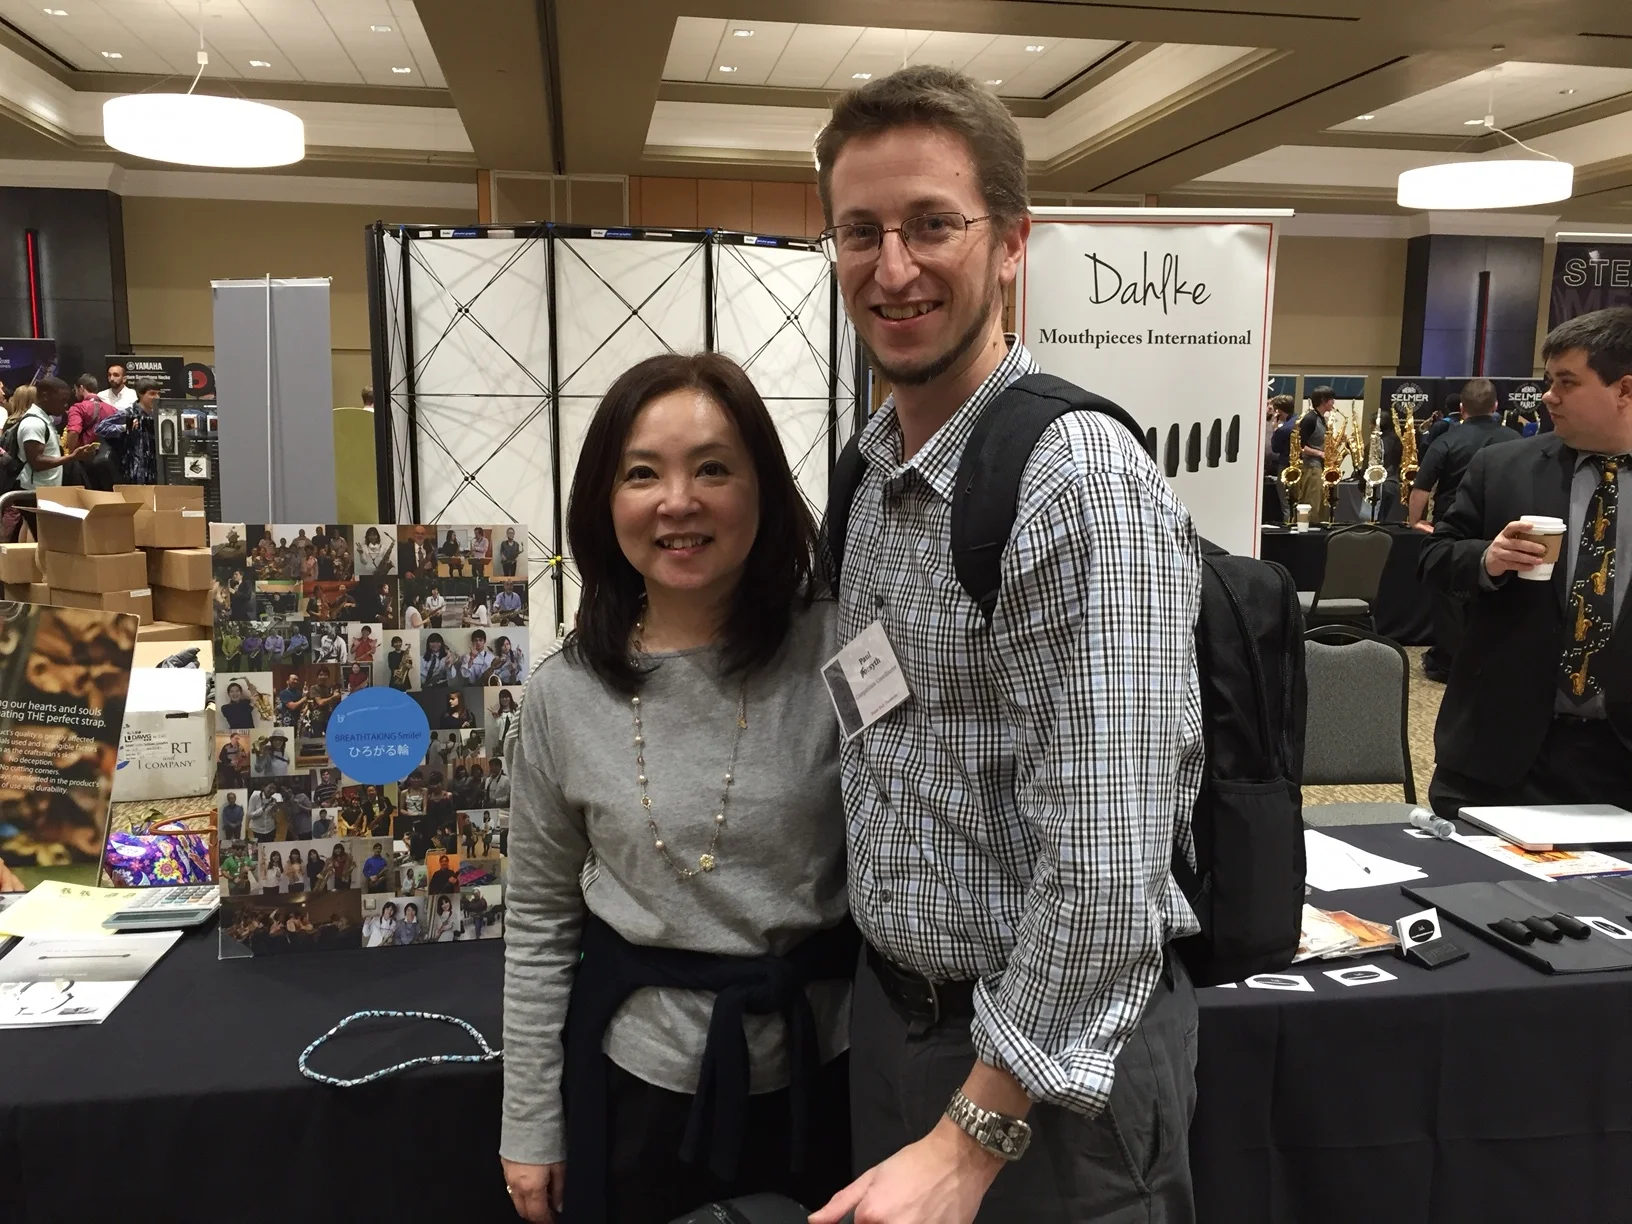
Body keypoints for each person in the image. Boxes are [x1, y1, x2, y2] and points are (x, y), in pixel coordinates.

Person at [809, 68, 1203, 1224]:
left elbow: (1109, 869)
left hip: (1049, 1083)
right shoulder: (873, 472)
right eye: (860, 231)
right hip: (899, 1030)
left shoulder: (1074, 481)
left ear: (1013, 242)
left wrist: (972, 1136)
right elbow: (879, 722)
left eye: (934, 224)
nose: (894, 268)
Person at [499, 351, 851, 1224]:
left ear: (762, 488)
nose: (678, 502)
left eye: (714, 468)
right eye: (642, 473)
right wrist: (530, 1122)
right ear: (603, 501)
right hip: (638, 1089)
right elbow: (540, 920)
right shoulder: (562, 695)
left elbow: (925, 819)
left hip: (832, 1075)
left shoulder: (844, 646)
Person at [1420, 306, 1632, 820]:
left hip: (1619, 759)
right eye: (1548, 379)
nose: (1547, 396)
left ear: (1624, 391)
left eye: (1567, 382)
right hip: (1499, 756)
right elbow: (1432, 556)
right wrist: (1486, 560)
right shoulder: (1503, 467)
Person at [1409, 378, 1521, 682]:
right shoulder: (1515, 439)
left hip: (1454, 527)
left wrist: (1415, 521)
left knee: (1450, 597)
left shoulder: (1446, 440)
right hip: (1502, 528)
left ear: (1461, 408)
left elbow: (1422, 486)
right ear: (1496, 406)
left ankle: (1450, 661)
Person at [16, 378, 95, 495]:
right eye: (62, 400)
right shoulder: (34, 423)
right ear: (45, 396)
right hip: (34, 492)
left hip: (45, 489)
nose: (65, 405)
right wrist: (72, 457)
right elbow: (36, 462)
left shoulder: (44, 420)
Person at [96, 379, 159, 483]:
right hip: (134, 469)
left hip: (154, 469)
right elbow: (101, 428)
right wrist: (124, 427)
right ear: (141, 394)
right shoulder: (128, 413)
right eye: (152, 394)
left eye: (158, 394)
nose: (156, 397)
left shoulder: (158, 415)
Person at [1291, 385, 1337, 524]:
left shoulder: (1321, 418)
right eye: (1331, 399)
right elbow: (1299, 446)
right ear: (1323, 400)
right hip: (1311, 468)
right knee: (1311, 503)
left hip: (1319, 467)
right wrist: (1320, 453)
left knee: (1320, 504)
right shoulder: (1310, 419)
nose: (1333, 403)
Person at [489, 689, 521, 760]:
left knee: (515, 759)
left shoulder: (515, 711)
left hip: (514, 739)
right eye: (502, 697)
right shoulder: (499, 713)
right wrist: (496, 718)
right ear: (500, 699)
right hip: (503, 740)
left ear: (510, 698)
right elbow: (496, 727)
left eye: (506, 697)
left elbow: (519, 724)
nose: (504, 699)